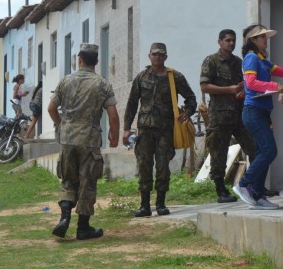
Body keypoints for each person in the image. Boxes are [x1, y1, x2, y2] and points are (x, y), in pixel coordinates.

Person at [48, 43, 119, 240]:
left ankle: (64, 218)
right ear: (96, 61)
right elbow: (113, 115)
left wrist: (62, 125)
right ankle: (83, 228)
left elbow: (51, 108)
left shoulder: (65, 81)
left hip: (68, 139)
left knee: (68, 180)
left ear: (79, 59)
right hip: (89, 139)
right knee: (88, 182)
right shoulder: (102, 84)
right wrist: (114, 135)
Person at [232, 24, 283, 210]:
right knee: (269, 151)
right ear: (253, 41)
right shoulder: (250, 58)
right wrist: (275, 87)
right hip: (253, 111)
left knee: (264, 151)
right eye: (262, 37)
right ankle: (244, 184)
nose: (266, 39)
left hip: (261, 113)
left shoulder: (262, 60)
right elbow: (251, 83)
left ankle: (257, 195)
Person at [123, 42, 197, 217]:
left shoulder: (174, 77)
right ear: (149, 56)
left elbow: (191, 98)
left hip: (166, 129)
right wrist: (126, 129)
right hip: (145, 129)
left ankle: (161, 203)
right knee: (144, 166)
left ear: (166, 57)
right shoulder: (141, 78)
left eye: (161, 54)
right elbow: (132, 104)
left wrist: (187, 113)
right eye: (154, 54)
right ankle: (144, 205)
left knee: (163, 166)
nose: (157, 57)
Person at [200, 29, 256, 203]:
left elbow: (243, 85)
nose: (231, 43)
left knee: (255, 149)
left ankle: (255, 185)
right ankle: (220, 191)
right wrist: (228, 90)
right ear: (220, 42)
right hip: (220, 117)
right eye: (227, 40)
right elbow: (205, 86)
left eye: (233, 40)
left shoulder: (238, 62)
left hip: (239, 114)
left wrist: (242, 92)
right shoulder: (212, 61)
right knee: (218, 156)